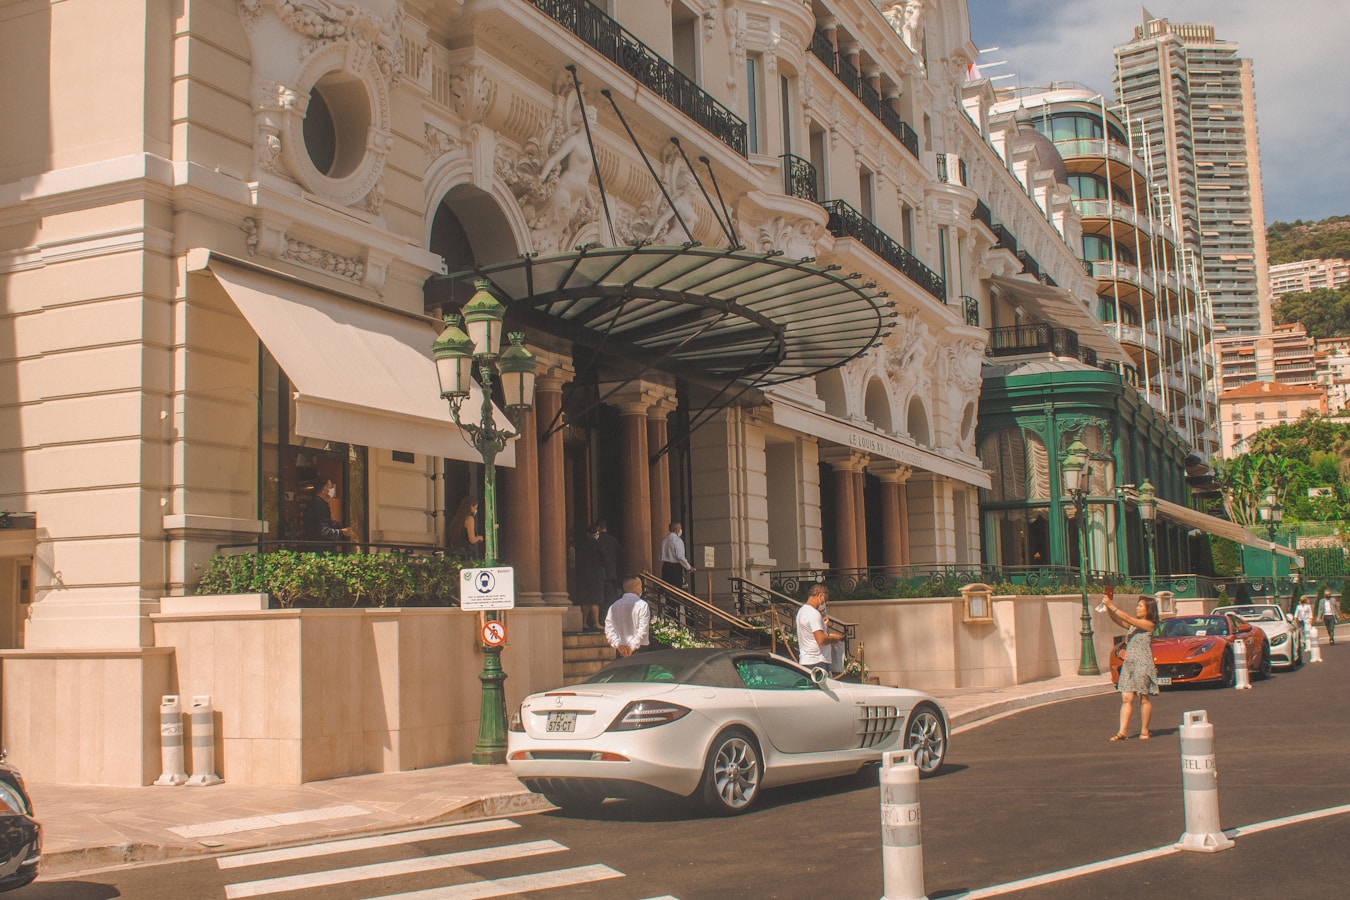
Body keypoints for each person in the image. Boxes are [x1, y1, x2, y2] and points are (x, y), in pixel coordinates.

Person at [1101, 587, 1160, 742]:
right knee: (1126, 697)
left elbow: (1126, 617)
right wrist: (1108, 606)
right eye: (1138, 605)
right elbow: (1119, 620)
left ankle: (1145, 730)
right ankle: (1122, 731)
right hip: (1129, 663)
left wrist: (1112, 605)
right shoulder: (1134, 625)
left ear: (1149, 609)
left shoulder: (1148, 624)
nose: (1137, 608)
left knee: (1143, 697)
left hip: (1142, 662)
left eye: (1140, 606)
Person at [796, 583, 844, 674]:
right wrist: (834, 638)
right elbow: (821, 640)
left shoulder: (802, 611)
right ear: (820, 596)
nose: (824, 603)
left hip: (805, 660)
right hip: (817, 661)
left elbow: (811, 634)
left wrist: (823, 626)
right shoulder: (814, 614)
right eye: (825, 600)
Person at [604, 574, 650, 657]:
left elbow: (609, 629)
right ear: (636, 588)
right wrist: (631, 648)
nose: (641, 589)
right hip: (638, 649)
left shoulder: (614, 606)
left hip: (621, 650)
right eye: (640, 586)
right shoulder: (642, 605)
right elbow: (643, 629)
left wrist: (618, 645)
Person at [302, 478, 351, 545]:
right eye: (330, 487)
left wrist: (334, 524)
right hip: (321, 548)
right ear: (324, 490)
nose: (332, 490)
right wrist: (342, 532)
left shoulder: (316, 503)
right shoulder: (319, 505)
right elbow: (324, 531)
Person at [574, 524, 604, 632]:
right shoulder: (598, 545)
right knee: (595, 600)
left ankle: (583, 622)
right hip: (596, 575)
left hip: (584, 575)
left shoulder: (581, 545)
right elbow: (603, 558)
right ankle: (596, 623)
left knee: (586, 600)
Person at [594, 520, 622, 618]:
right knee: (610, 596)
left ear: (598, 528)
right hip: (611, 571)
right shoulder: (613, 540)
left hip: (599, 572)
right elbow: (619, 555)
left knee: (600, 597)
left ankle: (603, 618)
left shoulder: (597, 540)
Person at [659, 521, 695, 589]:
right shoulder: (678, 541)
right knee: (676, 590)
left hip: (665, 567)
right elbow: (680, 556)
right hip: (675, 568)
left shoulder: (664, 541)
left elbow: (660, 556)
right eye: (680, 528)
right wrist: (688, 567)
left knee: (667, 589)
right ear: (677, 530)